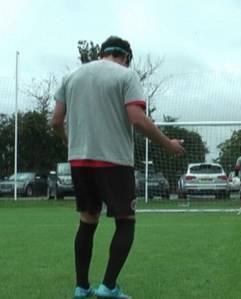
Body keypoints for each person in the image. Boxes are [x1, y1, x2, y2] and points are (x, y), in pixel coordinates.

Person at [50, 36, 185, 299]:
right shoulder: (126, 75)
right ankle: (108, 286)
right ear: (126, 57)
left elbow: (56, 121)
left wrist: (72, 143)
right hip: (114, 161)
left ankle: (81, 287)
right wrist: (168, 144)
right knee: (126, 220)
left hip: (79, 160)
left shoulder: (72, 76)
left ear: (102, 53)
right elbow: (137, 119)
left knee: (88, 219)